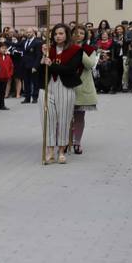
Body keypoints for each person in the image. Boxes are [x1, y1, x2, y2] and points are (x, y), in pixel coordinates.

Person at [43, 24, 82, 165]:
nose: (58, 36)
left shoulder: (75, 50)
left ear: (67, 35)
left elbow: (70, 69)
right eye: (55, 34)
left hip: (65, 87)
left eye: (61, 33)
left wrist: (52, 64)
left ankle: (61, 151)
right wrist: (43, 57)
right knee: (48, 119)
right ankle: (50, 151)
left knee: (64, 120)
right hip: (48, 87)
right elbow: (39, 69)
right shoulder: (48, 50)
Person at [70, 25, 99, 155]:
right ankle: (65, 141)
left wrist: (79, 51)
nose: (79, 35)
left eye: (82, 33)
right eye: (76, 33)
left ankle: (77, 142)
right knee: (64, 117)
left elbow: (90, 64)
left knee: (79, 116)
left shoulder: (89, 49)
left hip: (82, 87)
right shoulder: (65, 48)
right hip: (67, 85)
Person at [0, 38, 14, 110]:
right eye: (2, 48)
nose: (4, 50)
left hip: (5, 77)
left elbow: (11, 66)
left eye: (5, 48)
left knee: (2, 92)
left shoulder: (8, 57)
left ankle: (2, 105)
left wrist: (9, 74)